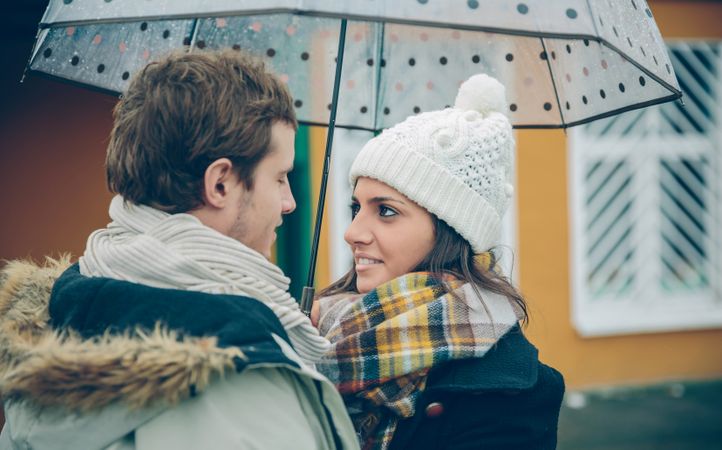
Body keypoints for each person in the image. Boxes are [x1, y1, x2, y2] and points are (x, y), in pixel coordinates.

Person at [0, 50, 358, 450]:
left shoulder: (60, 318)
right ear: (220, 183)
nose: (289, 202)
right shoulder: (244, 378)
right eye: (279, 178)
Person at [312, 74, 565, 450]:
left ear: (450, 229)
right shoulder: (319, 332)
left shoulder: (512, 395)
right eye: (356, 207)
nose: (352, 232)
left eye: (385, 210)